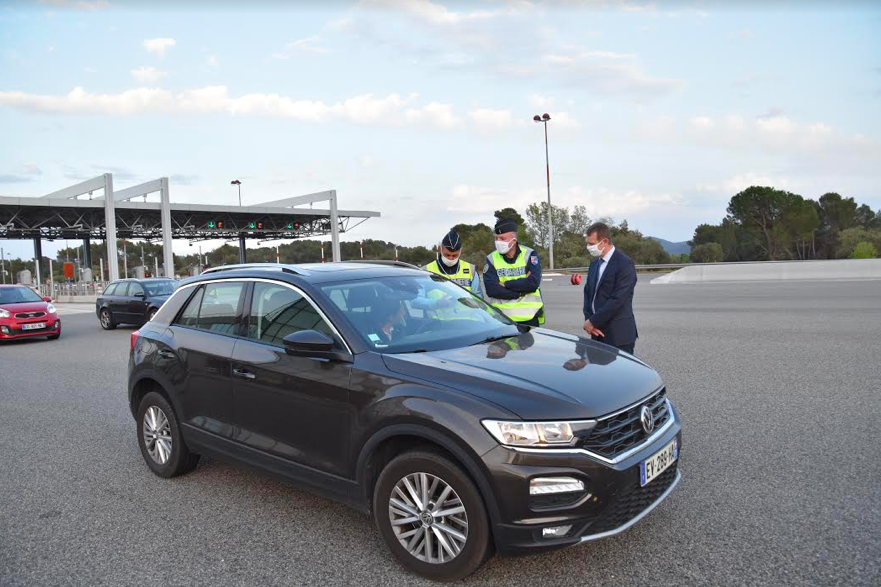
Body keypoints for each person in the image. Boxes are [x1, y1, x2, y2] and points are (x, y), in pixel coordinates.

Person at [582, 222, 638, 354]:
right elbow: (588, 293)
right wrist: (589, 320)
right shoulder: (594, 264)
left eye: (591, 244)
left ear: (604, 241)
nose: (588, 247)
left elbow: (618, 299)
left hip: (619, 335)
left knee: (621, 374)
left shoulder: (625, 264)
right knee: (598, 374)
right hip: (596, 332)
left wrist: (592, 321)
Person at [483, 217, 545, 326]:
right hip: (502, 319)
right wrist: (520, 292)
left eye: (502, 239)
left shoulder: (529, 254)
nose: (498, 242)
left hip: (529, 318)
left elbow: (533, 283)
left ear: (514, 239)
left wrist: (506, 284)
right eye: (496, 238)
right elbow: (492, 289)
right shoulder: (491, 258)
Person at [424, 228, 481, 296]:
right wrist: (436, 303)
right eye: (447, 255)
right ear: (441, 249)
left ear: (460, 251)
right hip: (437, 306)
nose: (451, 258)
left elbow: (478, 297)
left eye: (454, 255)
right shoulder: (426, 271)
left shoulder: (471, 270)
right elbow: (417, 300)